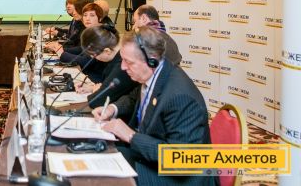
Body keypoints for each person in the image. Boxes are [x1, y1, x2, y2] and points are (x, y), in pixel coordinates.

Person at [93, 27, 213, 185]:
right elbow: (134, 97)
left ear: (152, 60)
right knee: (98, 156)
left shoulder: (180, 96)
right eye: (122, 60)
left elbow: (181, 160)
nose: (122, 67)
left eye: (129, 62)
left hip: (178, 178)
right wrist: (112, 109)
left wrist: (130, 135)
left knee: (102, 179)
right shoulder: (155, 73)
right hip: (150, 159)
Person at [75, 25, 138, 107]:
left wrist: (96, 90)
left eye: (94, 55)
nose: (92, 58)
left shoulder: (122, 66)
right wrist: (92, 88)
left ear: (107, 51)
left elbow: (96, 101)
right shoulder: (116, 58)